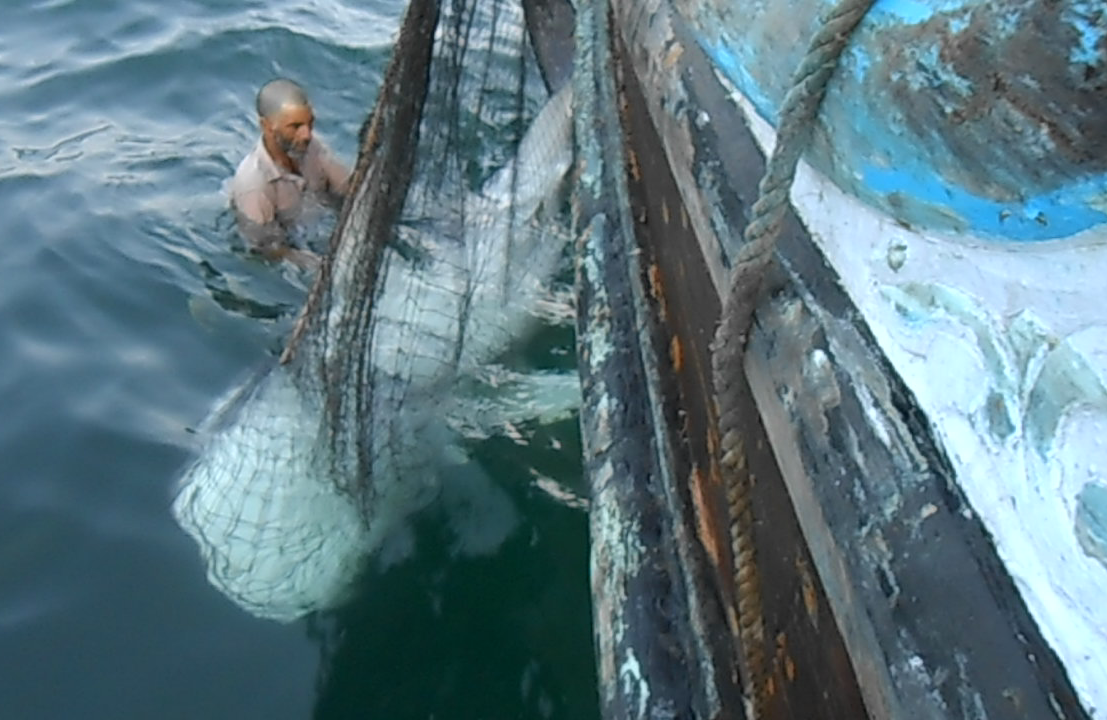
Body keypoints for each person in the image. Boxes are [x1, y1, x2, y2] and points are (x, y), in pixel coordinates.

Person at [230, 78, 350, 268]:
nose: (307, 134)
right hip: (297, 252)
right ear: (266, 126)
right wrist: (318, 265)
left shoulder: (311, 146)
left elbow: (348, 188)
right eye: (295, 127)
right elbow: (267, 249)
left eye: (310, 123)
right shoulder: (254, 186)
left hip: (329, 225)